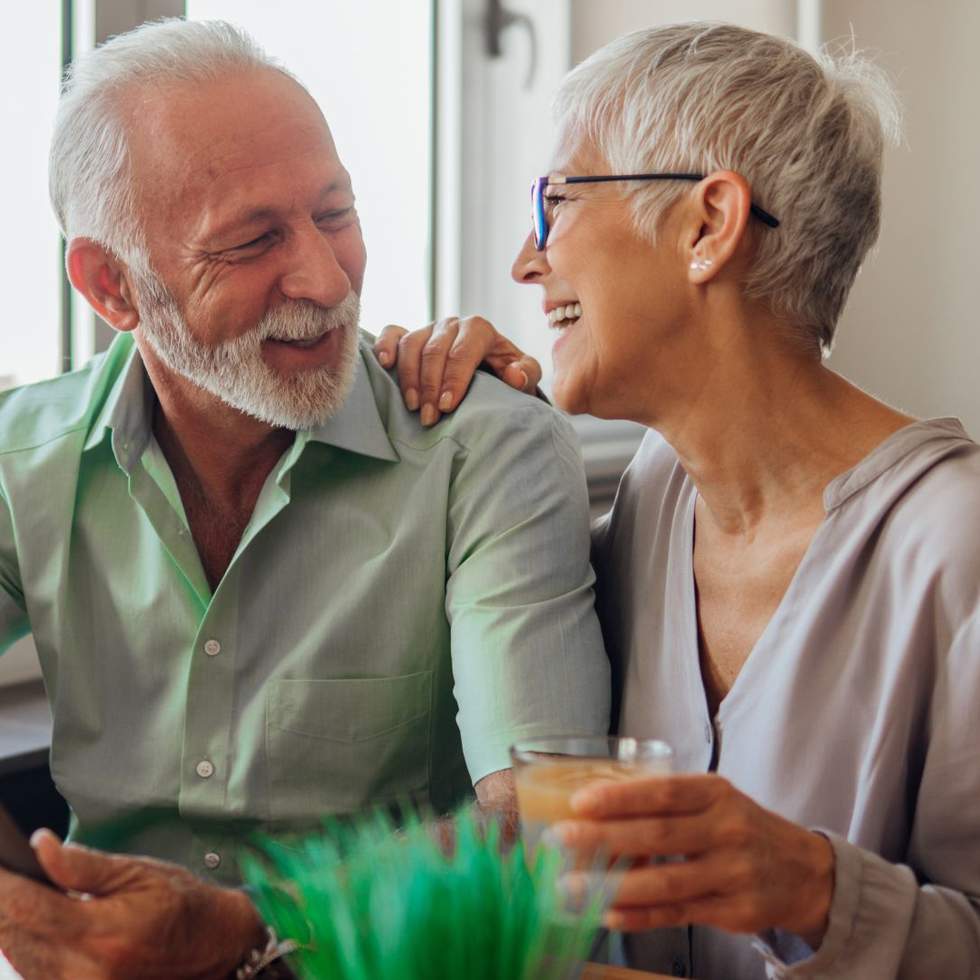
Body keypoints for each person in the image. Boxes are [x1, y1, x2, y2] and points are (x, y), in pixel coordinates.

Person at [0, 18, 610, 979]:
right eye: (250, 242)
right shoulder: (18, 459)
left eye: (336, 214)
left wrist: (248, 938)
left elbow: (539, 824)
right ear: (111, 284)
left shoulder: (485, 447)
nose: (327, 281)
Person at [377, 22, 980, 980]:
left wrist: (815, 888)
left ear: (708, 227)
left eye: (556, 203)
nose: (526, 264)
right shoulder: (655, 498)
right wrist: (474, 422)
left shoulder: (959, 550)